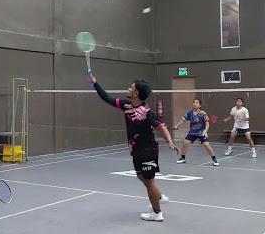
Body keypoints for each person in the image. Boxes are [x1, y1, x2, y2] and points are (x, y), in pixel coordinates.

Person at [90, 73, 178, 222]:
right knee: (141, 176)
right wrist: (95, 84)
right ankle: (159, 197)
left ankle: (157, 213)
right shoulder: (126, 105)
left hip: (148, 150)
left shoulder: (147, 112)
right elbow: (107, 98)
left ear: (136, 93)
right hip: (136, 150)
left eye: (131, 87)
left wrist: (170, 142)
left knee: (149, 181)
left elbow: (162, 127)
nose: (128, 89)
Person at [173, 98, 219, 166]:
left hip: (201, 132)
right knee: (185, 143)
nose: (195, 104)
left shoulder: (203, 113)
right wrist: (177, 126)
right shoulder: (189, 113)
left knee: (206, 145)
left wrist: (205, 131)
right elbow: (183, 120)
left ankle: (214, 159)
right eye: (194, 102)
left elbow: (207, 124)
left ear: (200, 105)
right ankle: (182, 158)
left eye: (197, 103)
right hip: (192, 132)